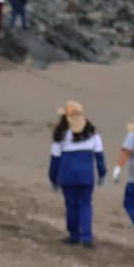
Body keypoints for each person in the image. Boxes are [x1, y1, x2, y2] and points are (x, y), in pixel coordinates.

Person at [49, 101, 105, 248]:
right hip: (86, 176)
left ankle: (74, 235)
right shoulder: (92, 134)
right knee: (85, 204)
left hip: (67, 176)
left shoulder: (60, 135)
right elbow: (99, 157)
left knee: (71, 205)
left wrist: (53, 178)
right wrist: (102, 174)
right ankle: (87, 236)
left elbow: (55, 159)